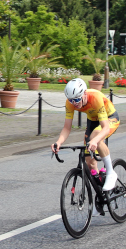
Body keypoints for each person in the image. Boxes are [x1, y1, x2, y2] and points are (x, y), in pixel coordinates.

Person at [51, 78, 121, 210]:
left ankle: (111, 172)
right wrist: (58, 142)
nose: (74, 103)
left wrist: (95, 140)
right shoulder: (70, 103)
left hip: (110, 118)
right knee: (89, 161)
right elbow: (67, 128)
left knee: (96, 137)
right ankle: (101, 194)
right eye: (71, 100)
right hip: (93, 121)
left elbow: (105, 128)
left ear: (84, 94)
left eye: (77, 99)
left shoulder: (95, 97)